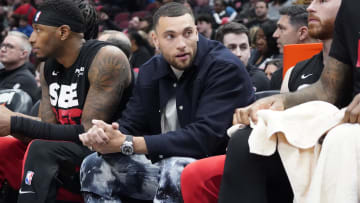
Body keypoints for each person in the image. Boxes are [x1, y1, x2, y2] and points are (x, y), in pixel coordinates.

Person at [79, 2, 255, 202]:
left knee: (176, 168)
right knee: (94, 164)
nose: (181, 43)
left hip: (219, 172)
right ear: (155, 40)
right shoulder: (149, 70)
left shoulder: (224, 67)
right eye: (170, 36)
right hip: (166, 167)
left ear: (197, 32)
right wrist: (105, 136)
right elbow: (132, 123)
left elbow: (203, 138)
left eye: (187, 33)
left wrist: (129, 143)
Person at [180, 2, 339, 202]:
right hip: (286, 150)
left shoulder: (254, 76)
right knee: (195, 175)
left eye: (322, 0)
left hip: (326, 151)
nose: (310, 7)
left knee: (243, 141)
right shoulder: (295, 71)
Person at [218, 0, 357, 202]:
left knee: (339, 139)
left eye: (323, 0)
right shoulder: (349, 15)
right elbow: (328, 89)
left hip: (346, 130)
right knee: (246, 139)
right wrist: (277, 101)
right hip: (334, 119)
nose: (310, 7)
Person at [0, 0, 133, 203]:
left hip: (114, 154)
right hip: (65, 151)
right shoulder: (47, 68)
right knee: (5, 146)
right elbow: (46, 129)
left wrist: (16, 121)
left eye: (38, 30)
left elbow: (90, 135)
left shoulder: (106, 58)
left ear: (63, 32)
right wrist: (8, 124)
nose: (31, 38)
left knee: (41, 149)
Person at [215, 22, 270, 92]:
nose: (238, 53)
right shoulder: (208, 78)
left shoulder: (260, 80)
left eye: (243, 47)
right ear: (219, 51)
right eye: (231, 48)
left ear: (250, 51)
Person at [0, 31, 38, 103]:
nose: (3, 49)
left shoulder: (24, 80)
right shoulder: (4, 72)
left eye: (10, 46)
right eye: (3, 45)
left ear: (23, 54)